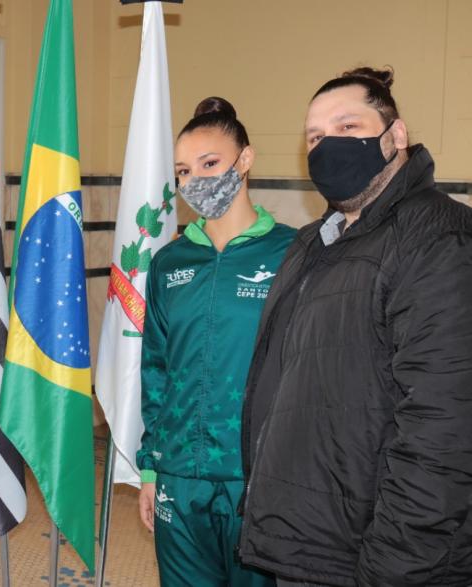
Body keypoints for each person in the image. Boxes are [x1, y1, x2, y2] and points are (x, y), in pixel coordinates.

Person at [238, 67, 472, 586]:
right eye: (316, 137)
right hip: (307, 545)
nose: (328, 145)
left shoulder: (439, 239)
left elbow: (445, 431)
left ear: (396, 135)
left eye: (348, 127)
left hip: (378, 560)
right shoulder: (310, 243)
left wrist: (393, 569)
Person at [137, 97, 295, 586]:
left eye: (211, 164)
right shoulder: (168, 262)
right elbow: (156, 369)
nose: (195, 181)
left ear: (244, 160)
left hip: (258, 478)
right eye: (184, 171)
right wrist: (150, 470)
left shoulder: (295, 253)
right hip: (179, 478)